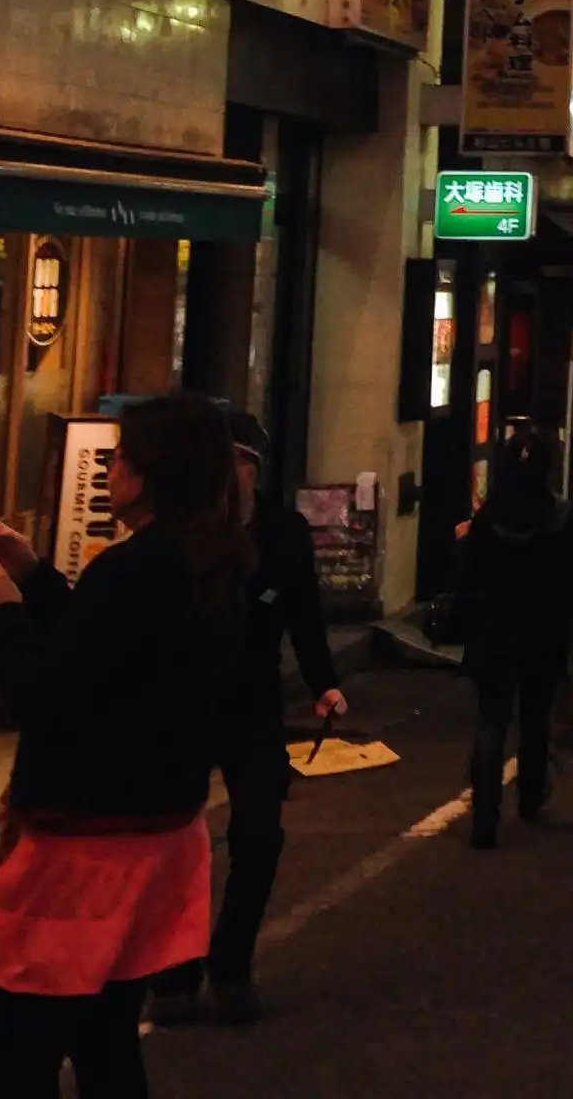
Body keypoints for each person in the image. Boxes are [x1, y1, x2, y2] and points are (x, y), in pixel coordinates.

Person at [0, 393, 248, 1099]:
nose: (109, 467)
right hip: (156, 834)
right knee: (105, 1036)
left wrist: (0, 614)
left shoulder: (134, 569)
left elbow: (50, 690)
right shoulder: (207, 560)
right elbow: (105, 655)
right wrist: (35, 577)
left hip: (84, 848)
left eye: (122, 455)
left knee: (22, 1047)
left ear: (156, 469)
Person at [148, 414, 342, 1028]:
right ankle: (174, 973)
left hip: (254, 702)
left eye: (231, 460)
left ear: (250, 469)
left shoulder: (283, 532)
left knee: (259, 835)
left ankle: (231, 963)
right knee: (175, 840)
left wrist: (324, 683)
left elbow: (304, 612)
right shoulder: (178, 532)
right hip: (184, 701)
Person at [450, 424, 573, 850]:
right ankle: (531, 792)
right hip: (544, 631)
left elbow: (466, 579)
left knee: (491, 720)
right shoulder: (560, 516)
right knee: (535, 716)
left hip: (493, 630)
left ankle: (484, 815)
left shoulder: (487, 519)